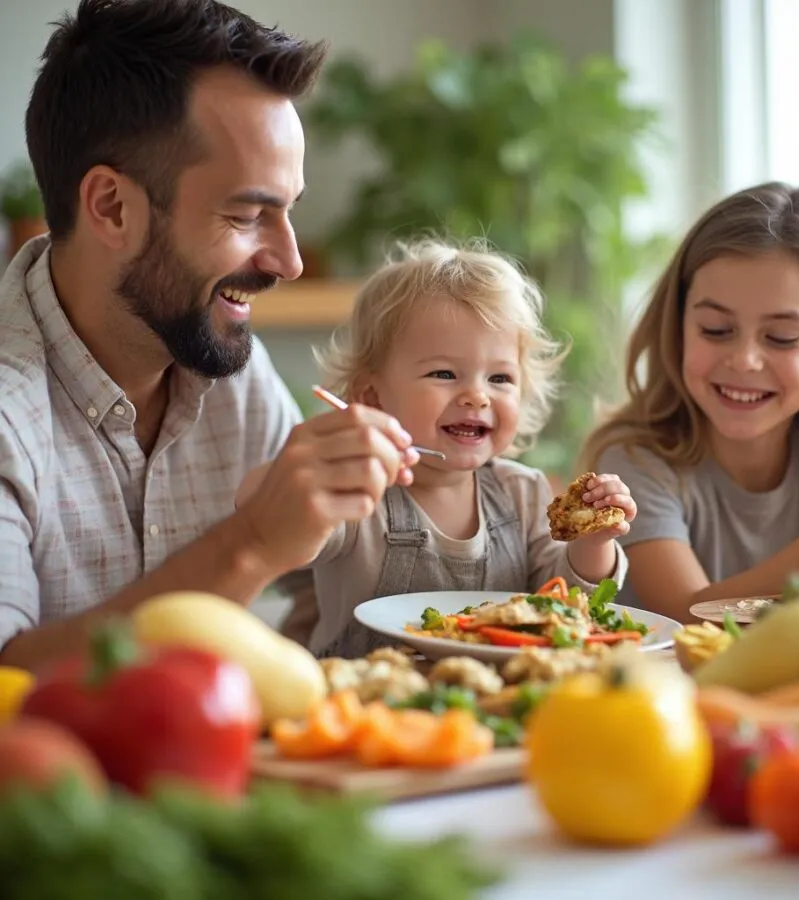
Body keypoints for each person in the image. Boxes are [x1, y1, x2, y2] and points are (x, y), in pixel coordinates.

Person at [0, 0, 419, 671]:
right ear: (112, 207)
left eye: (288, 213)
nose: (289, 262)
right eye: (249, 214)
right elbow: (8, 687)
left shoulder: (224, 368)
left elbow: (325, 596)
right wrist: (251, 540)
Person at [238, 239, 636, 658]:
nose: (477, 396)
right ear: (372, 398)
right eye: (444, 373)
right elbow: (263, 513)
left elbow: (572, 607)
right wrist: (306, 466)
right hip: (366, 702)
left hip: (498, 701)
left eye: (499, 379)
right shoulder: (358, 495)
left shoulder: (524, 494)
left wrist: (593, 542)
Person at [578, 181, 799, 622]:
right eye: (715, 329)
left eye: (781, 338)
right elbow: (687, 611)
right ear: (678, 328)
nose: (745, 361)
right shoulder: (636, 463)